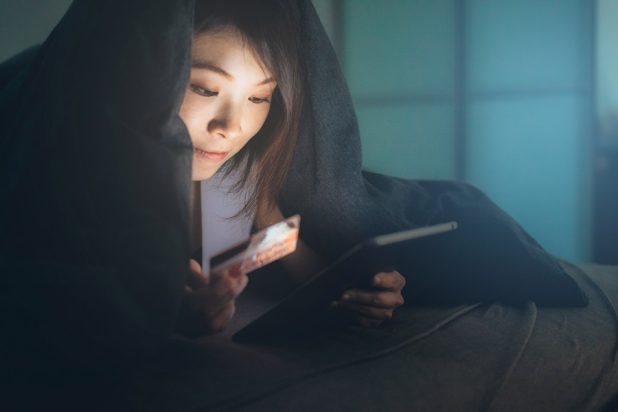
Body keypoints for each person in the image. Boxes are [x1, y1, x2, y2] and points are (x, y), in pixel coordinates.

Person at [175, 0, 406, 336]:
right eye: (205, 89)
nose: (232, 126)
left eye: (258, 98)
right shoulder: (100, 185)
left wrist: (365, 293)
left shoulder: (241, 172)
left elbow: (284, 246)